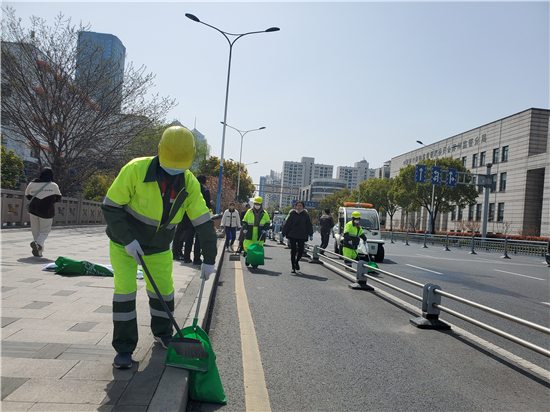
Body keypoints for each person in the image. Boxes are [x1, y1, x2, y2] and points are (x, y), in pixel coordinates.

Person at [101, 126, 217, 369]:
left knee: (164, 292)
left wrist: (209, 258)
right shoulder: (135, 170)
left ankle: (164, 334)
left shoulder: (189, 184)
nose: (175, 167)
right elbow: (111, 206)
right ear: (160, 152)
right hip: (125, 245)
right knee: (125, 293)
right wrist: (127, 240)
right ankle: (124, 348)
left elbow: (203, 222)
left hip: (159, 248)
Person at [25, 167, 62, 257]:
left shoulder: (32, 183)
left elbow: (27, 195)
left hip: (34, 211)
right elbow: (58, 198)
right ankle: (38, 244)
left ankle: (38, 250)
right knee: (44, 231)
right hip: (47, 212)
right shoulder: (53, 185)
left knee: (35, 231)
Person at [182, 175, 211, 264]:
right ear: (204, 182)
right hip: (200, 217)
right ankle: (196, 259)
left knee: (189, 237)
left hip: (189, 216)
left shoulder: (192, 190)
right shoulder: (205, 191)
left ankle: (186, 258)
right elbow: (208, 205)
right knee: (198, 239)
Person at [282, 200, 313, 274]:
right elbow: (287, 225)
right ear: (295, 206)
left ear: (303, 207)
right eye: (297, 205)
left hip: (302, 235)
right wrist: (283, 233)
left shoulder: (305, 215)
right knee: (293, 250)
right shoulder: (292, 214)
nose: (299, 207)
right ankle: (293, 267)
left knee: (301, 250)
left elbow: (309, 225)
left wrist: (310, 234)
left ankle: (297, 261)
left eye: (300, 206)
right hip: (293, 234)